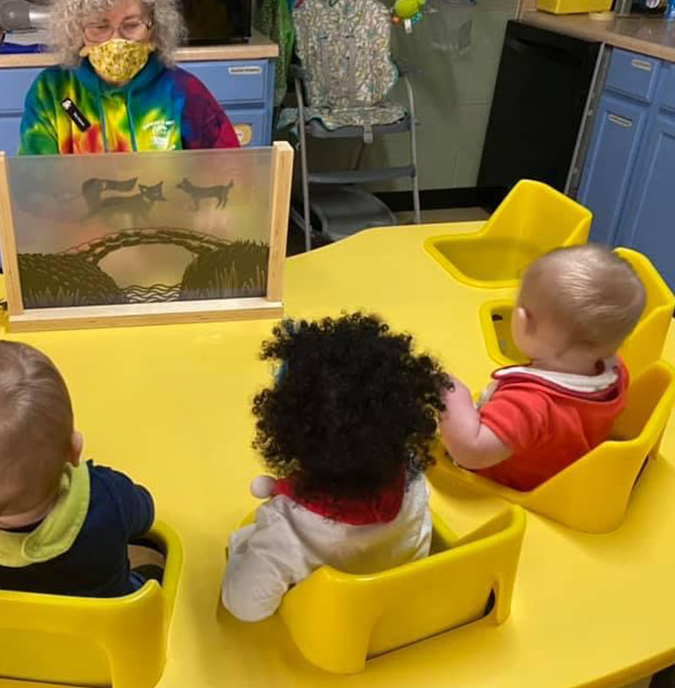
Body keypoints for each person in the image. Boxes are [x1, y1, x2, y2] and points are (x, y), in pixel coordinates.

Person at [221, 314, 450, 623]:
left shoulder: (285, 530)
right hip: (398, 612)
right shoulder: (412, 477)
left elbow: (244, 607)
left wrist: (239, 552)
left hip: (326, 638)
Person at [0, 340, 162, 596]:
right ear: (74, 450)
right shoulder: (107, 497)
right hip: (99, 630)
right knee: (147, 581)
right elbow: (145, 512)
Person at [440, 244, 645, 491]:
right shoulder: (615, 373)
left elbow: (471, 452)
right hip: (560, 474)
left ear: (524, 322)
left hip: (500, 486)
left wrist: (451, 394)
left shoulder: (528, 402)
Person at [19, 0, 240, 155]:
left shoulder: (183, 92)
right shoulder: (51, 93)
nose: (116, 40)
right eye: (99, 26)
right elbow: (35, 184)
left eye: (132, 25)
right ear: (76, 29)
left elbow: (229, 173)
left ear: (154, 25)